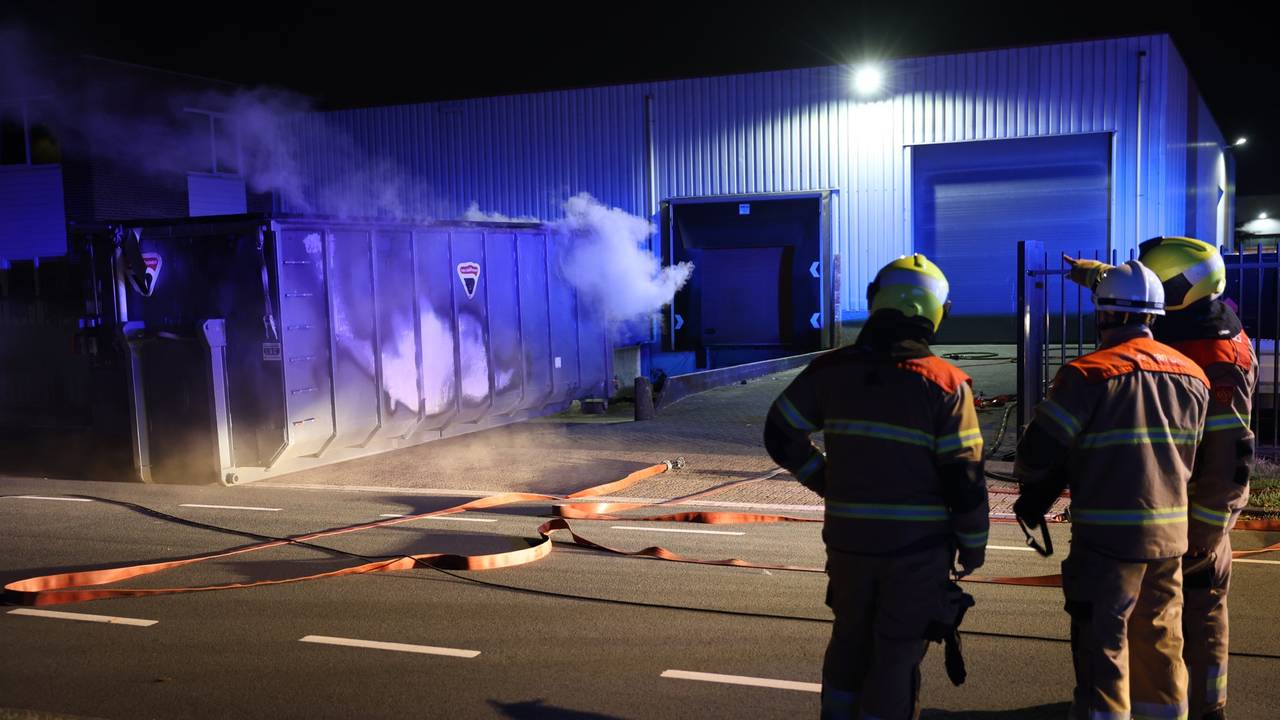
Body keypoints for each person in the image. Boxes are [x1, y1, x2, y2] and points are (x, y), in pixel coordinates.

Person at [764, 253, 988, 720]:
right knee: (896, 657)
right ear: (937, 312)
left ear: (874, 301)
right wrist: (973, 544)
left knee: (848, 644)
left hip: (848, 546)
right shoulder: (946, 384)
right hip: (917, 553)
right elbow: (964, 478)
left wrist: (824, 481)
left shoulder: (829, 372)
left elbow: (780, 432)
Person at [1066, 237, 1256, 719]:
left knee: (1198, 614)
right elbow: (1140, 292)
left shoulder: (1217, 355)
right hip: (1164, 501)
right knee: (1158, 629)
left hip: (1193, 516)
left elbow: (1229, 459)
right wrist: (1092, 274)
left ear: (1181, 291)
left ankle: (1208, 707)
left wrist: (1207, 534)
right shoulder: (1188, 315)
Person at [1015, 260, 1210, 720]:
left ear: (1107, 315)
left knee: (1103, 649)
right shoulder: (1195, 376)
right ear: (1153, 317)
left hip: (1107, 545)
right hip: (1170, 541)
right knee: (1161, 645)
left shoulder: (1087, 375)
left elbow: (1034, 457)